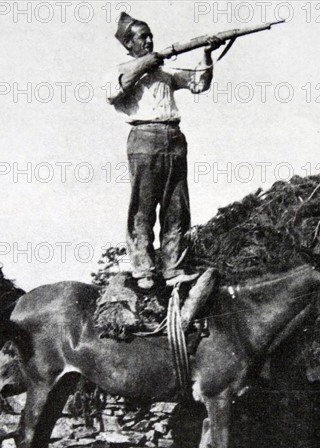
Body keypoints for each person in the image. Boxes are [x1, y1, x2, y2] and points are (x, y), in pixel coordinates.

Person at [107, 13, 222, 289]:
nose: (148, 40)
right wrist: (147, 63)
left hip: (174, 137)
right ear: (129, 45)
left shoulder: (166, 73)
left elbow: (198, 83)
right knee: (143, 207)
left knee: (176, 207)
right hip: (144, 138)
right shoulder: (122, 70)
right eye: (141, 37)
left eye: (150, 36)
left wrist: (206, 54)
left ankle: (173, 268)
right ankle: (143, 270)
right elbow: (114, 92)